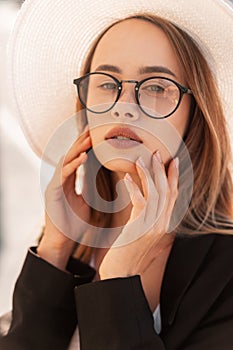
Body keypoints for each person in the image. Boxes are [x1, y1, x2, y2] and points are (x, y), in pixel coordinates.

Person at [1, 0, 233, 349]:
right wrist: (54, 249)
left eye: (156, 87)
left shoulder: (224, 271)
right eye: (107, 84)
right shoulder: (67, 250)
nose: (125, 105)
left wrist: (117, 278)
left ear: (195, 112)